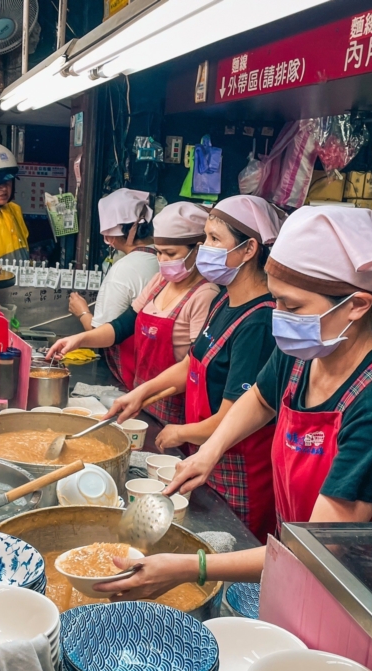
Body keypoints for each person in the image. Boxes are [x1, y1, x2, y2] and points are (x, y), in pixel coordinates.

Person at [97, 205, 372, 601]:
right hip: (306, 571)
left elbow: (320, 547)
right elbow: (259, 399)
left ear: (357, 305)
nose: (278, 316)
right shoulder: (302, 354)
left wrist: (194, 567)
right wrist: (208, 452)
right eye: (275, 300)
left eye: (292, 307)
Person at [108, 196, 284, 538]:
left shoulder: (259, 322)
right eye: (205, 238)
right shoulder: (223, 299)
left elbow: (236, 416)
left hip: (241, 472)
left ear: (249, 250)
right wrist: (141, 394)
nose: (205, 248)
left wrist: (181, 432)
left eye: (215, 239)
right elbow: (192, 364)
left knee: (232, 552)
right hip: (208, 458)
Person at [47, 202, 218, 423]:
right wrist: (79, 339)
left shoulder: (205, 294)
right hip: (141, 399)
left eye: (170, 253)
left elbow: (194, 366)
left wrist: (144, 392)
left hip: (176, 408)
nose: (162, 261)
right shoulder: (160, 282)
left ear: (198, 249)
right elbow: (121, 327)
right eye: (158, 252)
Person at [70, 188, 159, 385]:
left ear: (111, 236)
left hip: (134, 372)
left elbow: (99, 333)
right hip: (157, 371)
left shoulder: (124, 269)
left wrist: (82, 311)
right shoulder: (162, 257)